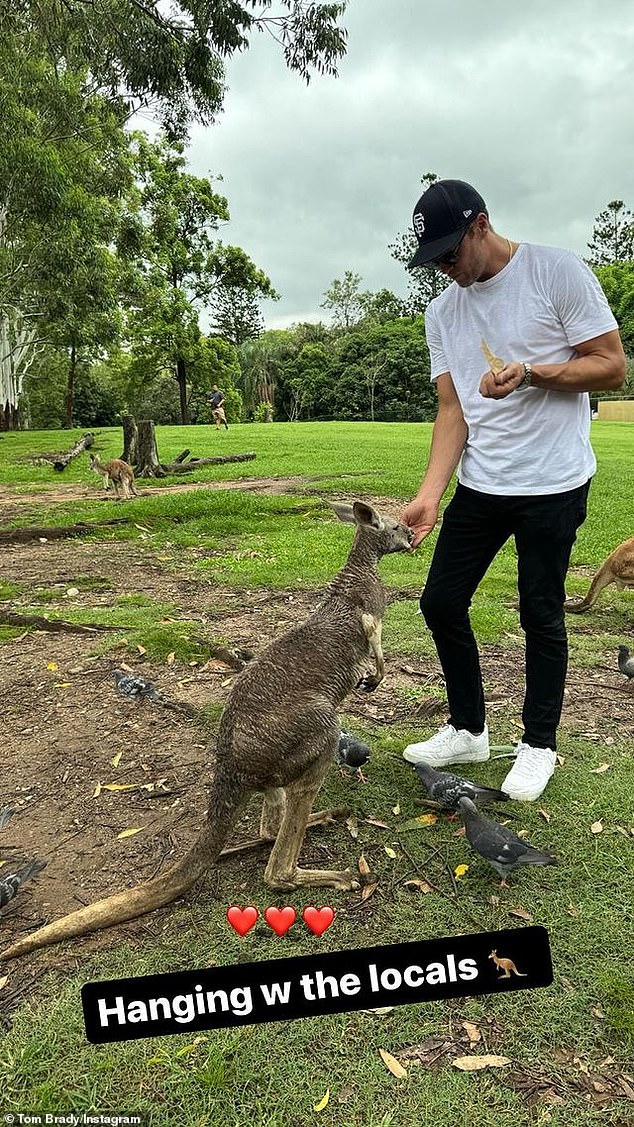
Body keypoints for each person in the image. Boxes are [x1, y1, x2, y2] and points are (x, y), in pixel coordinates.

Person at [401, 179, 625, 801]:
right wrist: (430, 494)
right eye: (434, 261)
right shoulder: (443, 311)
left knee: (540, 612)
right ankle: (469, 728)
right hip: (483, 482)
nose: (445, 269)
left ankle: (538, 745)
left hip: (553, 482)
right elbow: (453, 409)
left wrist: (532, 373)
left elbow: (610, 364)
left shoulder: (556, 273)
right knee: (441, 601)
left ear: (480, 225)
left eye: (451, 254)